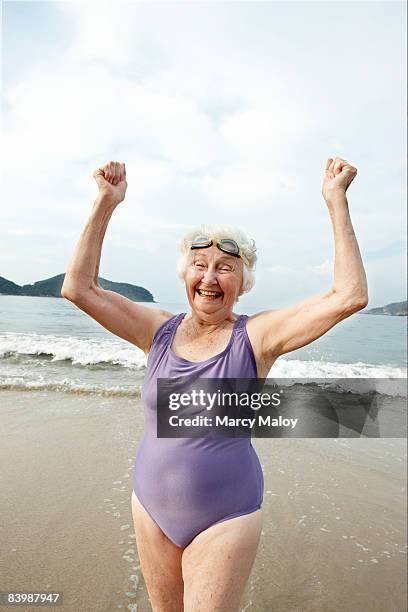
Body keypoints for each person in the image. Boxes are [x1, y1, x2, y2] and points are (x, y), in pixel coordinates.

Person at [61, 157, 368, 611]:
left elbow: (349, 296)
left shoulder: (257, 337)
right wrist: (106, 203)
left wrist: (335, 200)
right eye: (199, 264)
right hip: (149, 506)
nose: (209, 277)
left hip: (225, 515)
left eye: (225, 267)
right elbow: (79, 288)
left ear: (243, 283)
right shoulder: (156, 330)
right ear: (186, 274)